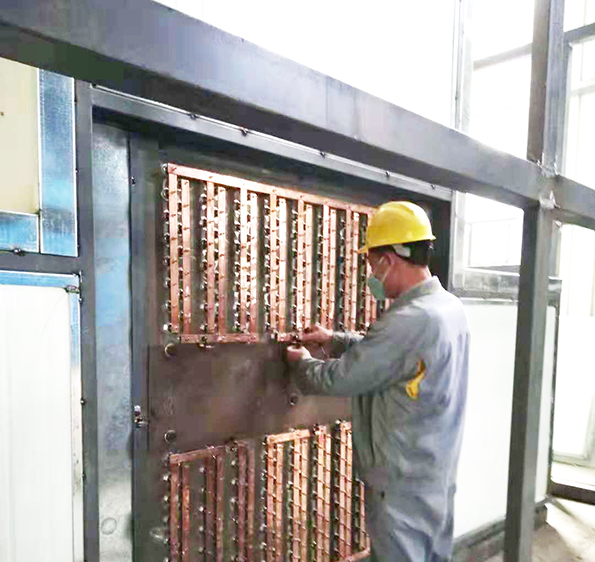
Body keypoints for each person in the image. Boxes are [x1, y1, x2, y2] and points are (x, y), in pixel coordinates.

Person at [286, 201, 470, 562]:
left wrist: (301, 363)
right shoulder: (448, 308)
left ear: (389, 259)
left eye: (372, 264)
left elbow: (340, 378)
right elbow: (395, 357)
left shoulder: (410, 319)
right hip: (434, 475)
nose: (372, 274)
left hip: (400, 484)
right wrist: (335, 339)